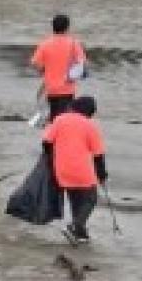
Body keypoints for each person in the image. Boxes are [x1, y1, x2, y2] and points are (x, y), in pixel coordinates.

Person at [41, 95, 107, 243]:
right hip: (82, 171)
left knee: (75, 200)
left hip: (62, 169)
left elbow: (46, 142)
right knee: (90, 198)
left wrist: (50, 158)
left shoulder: (59, 120)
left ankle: (80, 234)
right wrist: (102, 174)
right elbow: (98, 155)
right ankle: (76, 225)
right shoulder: (90, 125)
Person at [30, 14, 87, 119]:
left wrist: (44, 71)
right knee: (63, 118)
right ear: (67, 27)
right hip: (67, 89)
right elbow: (82, 63)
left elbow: (35, 63)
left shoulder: (45, 44)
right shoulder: (74, 44)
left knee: (51, 116)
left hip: (50, 88)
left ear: (53, 27)